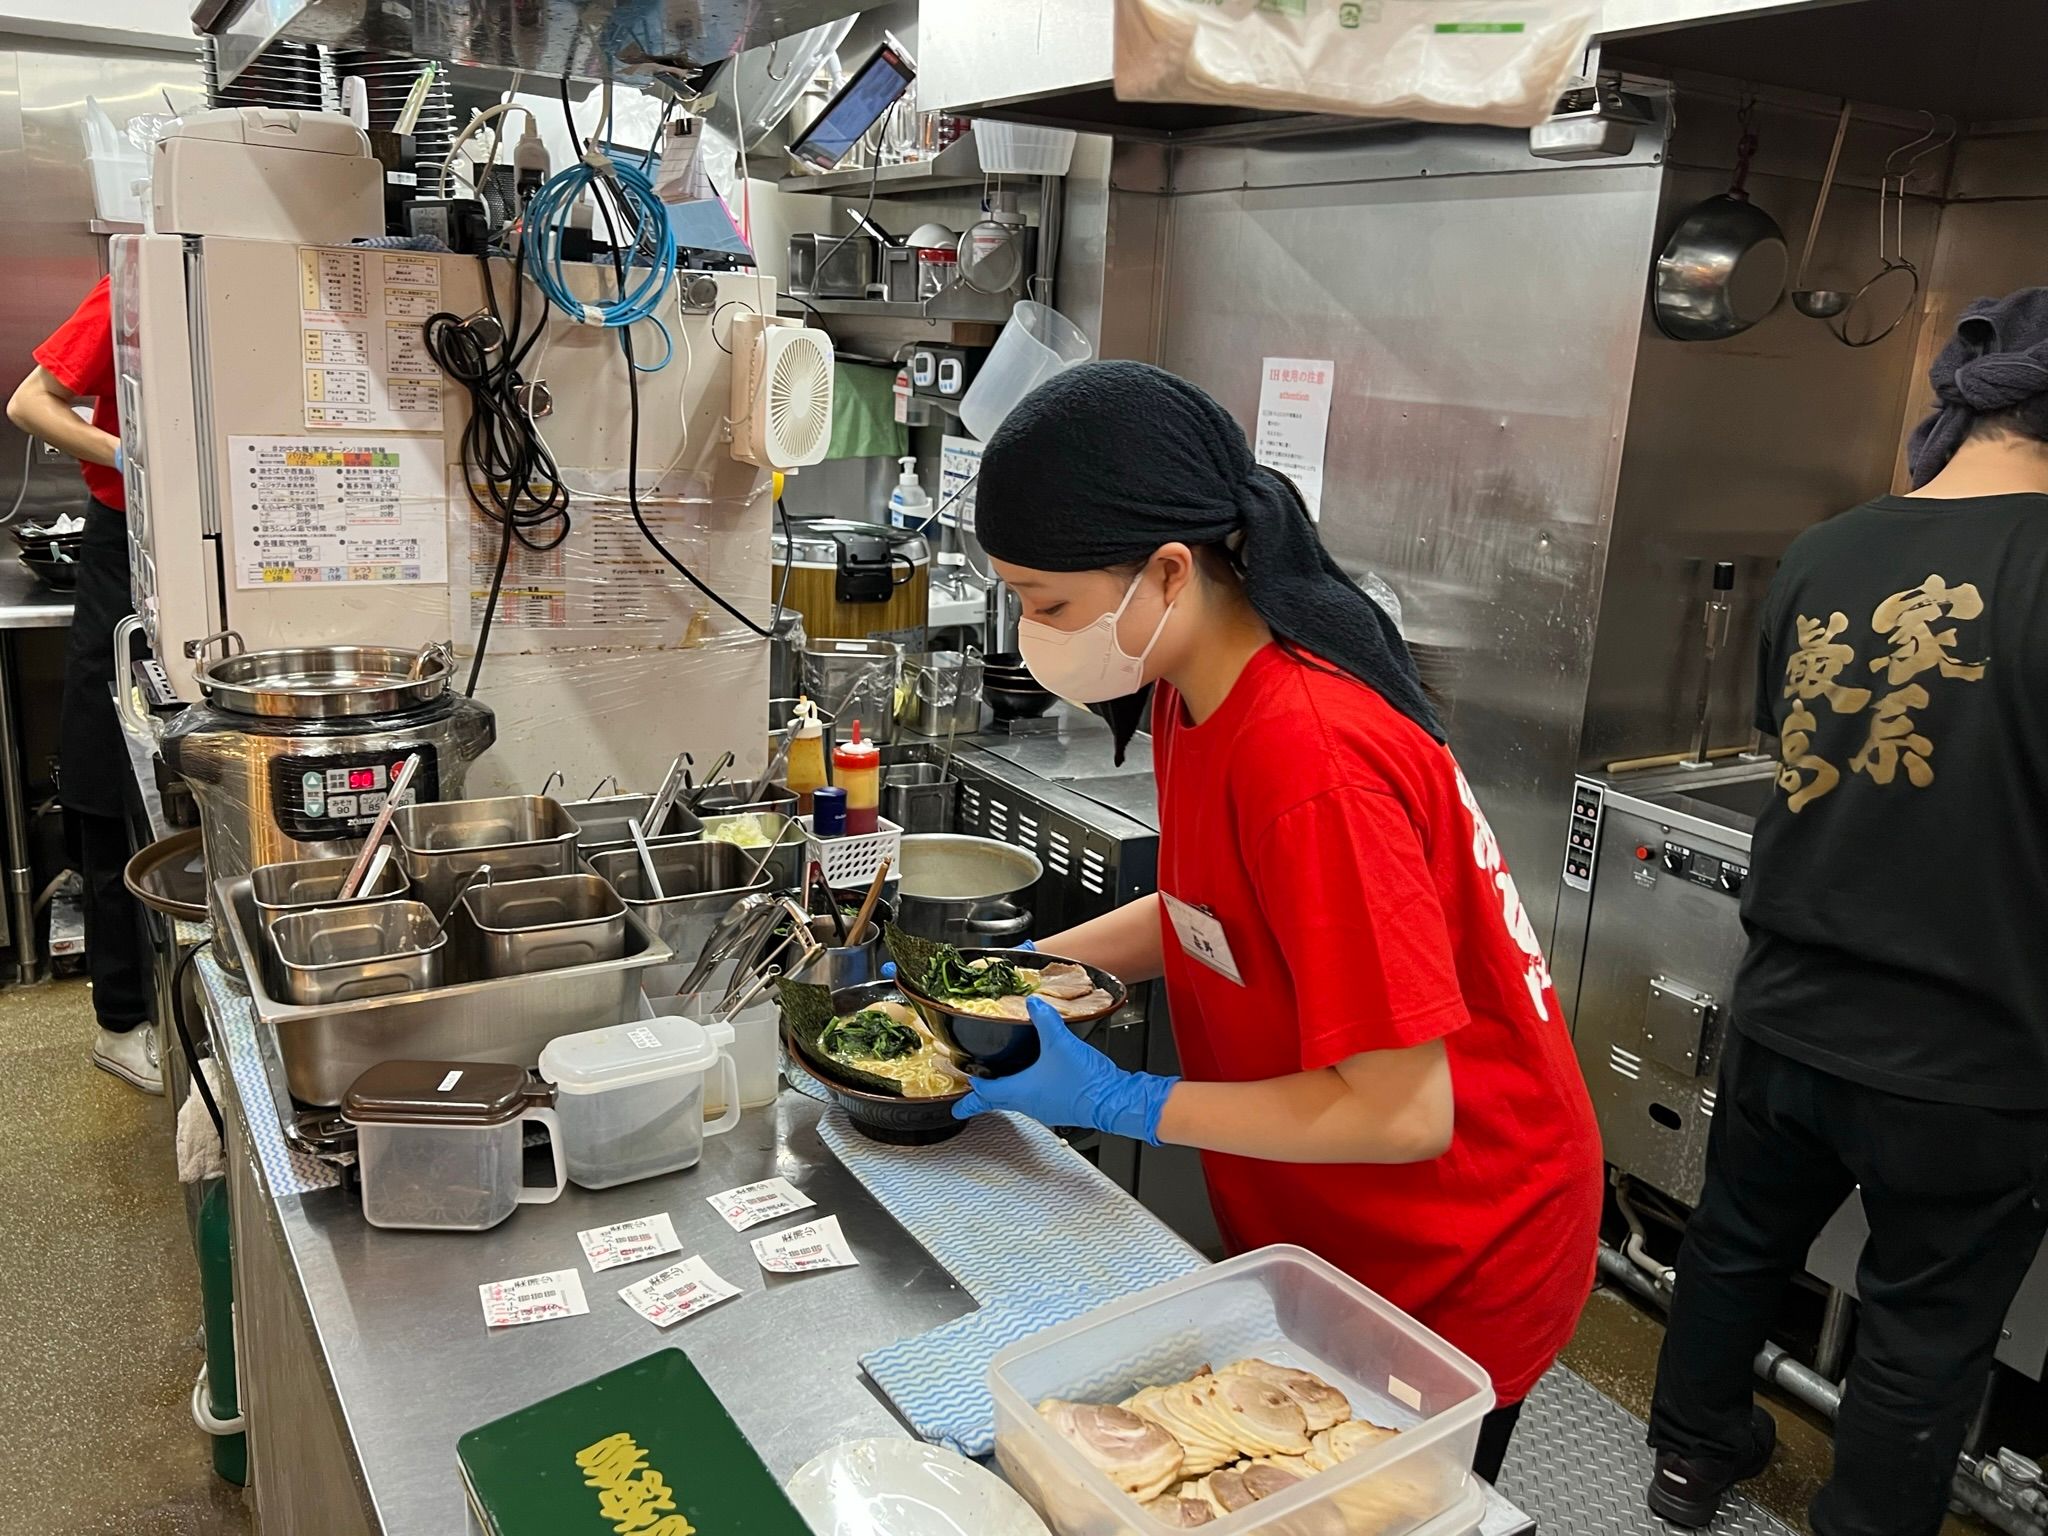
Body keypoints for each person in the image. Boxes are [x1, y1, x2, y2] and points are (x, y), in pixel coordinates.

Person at [955, 361, 1604, 1481]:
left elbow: (1405, 1115)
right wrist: (1013, 969)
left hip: (1454, 1243)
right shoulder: (1192, 679)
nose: (1029, 632)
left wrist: (1124, 1099)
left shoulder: (1308, 752)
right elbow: (1212, 910)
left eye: (1048, 603)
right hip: (1328, 1228)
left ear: (1166, 571)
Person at [1643, 289, 2048, 1536]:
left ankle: (1685, 1460)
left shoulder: (1822, 551)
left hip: (1789, 1008)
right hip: (1973, 1049)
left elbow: (1810, 756)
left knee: (1732, 1243)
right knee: (1922, 1330)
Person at [6, 275, 155, 1092]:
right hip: (123, 545)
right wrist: (130, 455)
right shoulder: (130, 286)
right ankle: (122, 1020)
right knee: (106, 778)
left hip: (229, 536)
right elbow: (32, 403)